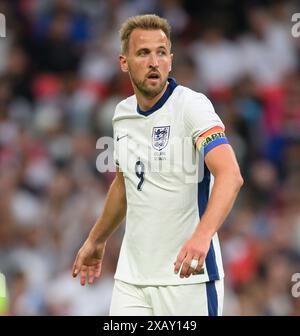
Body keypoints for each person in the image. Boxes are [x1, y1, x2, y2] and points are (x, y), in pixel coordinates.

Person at [72, 14, 243, 316]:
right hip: (132, 280)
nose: (154, 61)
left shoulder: (192, 106)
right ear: (124, 62)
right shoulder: (122, 114)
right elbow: (125, 184)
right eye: (143, 53)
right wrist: (96, 239)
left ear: (171, 60)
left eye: (161, 52)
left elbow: (230, 175)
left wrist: (203, 236)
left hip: (187, 277)